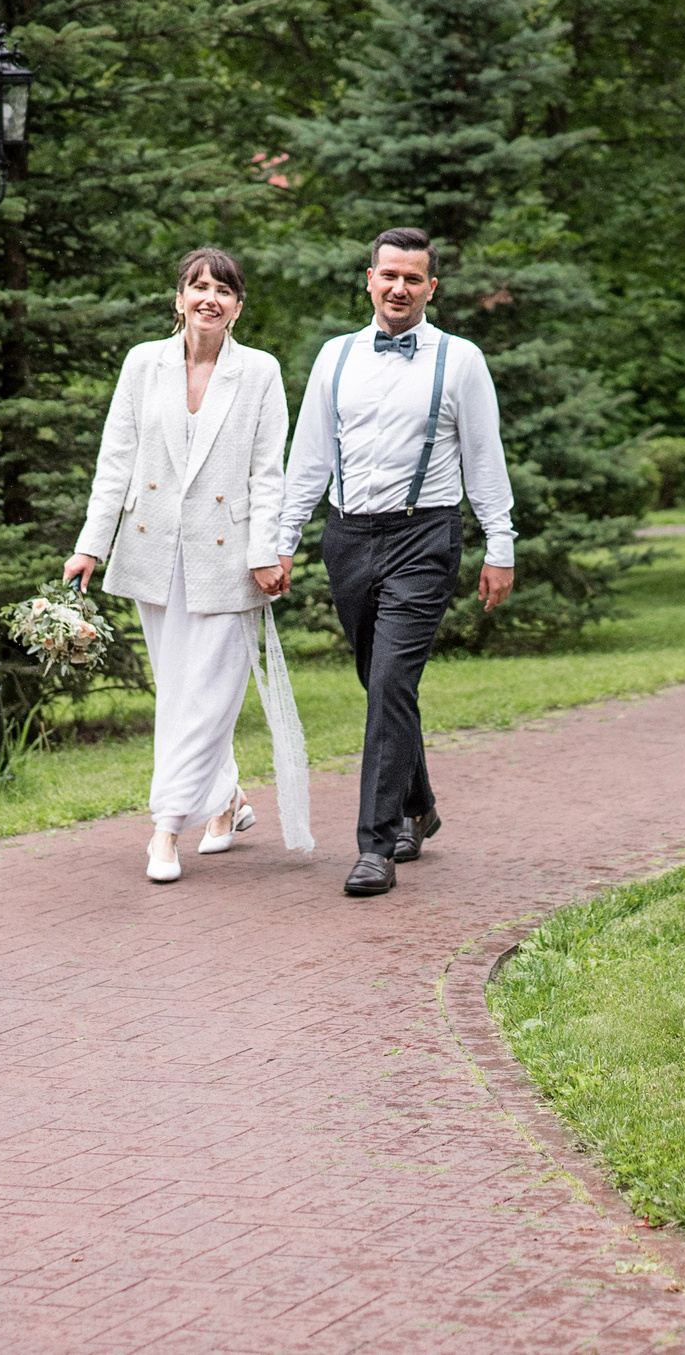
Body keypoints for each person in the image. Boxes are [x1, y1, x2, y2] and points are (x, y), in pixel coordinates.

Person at [276, 227, 515, 898]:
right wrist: (284, 540)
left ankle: (374, 846)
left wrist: (501, 545)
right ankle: (421, 802)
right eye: (390, 276)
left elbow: (484, 457)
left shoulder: (461, 360)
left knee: (388, 683)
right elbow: (310, 456)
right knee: (379, 681)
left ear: (431, 287)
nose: (400, 288)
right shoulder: (335, 356)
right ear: (371, 279)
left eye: (413, 278)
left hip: (424, 537)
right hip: (348, 537)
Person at [69, 249, 291, 883]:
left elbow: (266, 472)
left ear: (238, 307)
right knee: (178, 690)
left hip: (230, 557)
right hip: (153, 547)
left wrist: (265, 552)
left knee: (207, 696)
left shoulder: (260, 373)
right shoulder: (144, 363)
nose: (209, 298)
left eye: (223, 290)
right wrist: (92, 544)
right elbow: (116, 459)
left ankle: (165, 829)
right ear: (179, 299)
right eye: (199, 287)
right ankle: (225, 799)